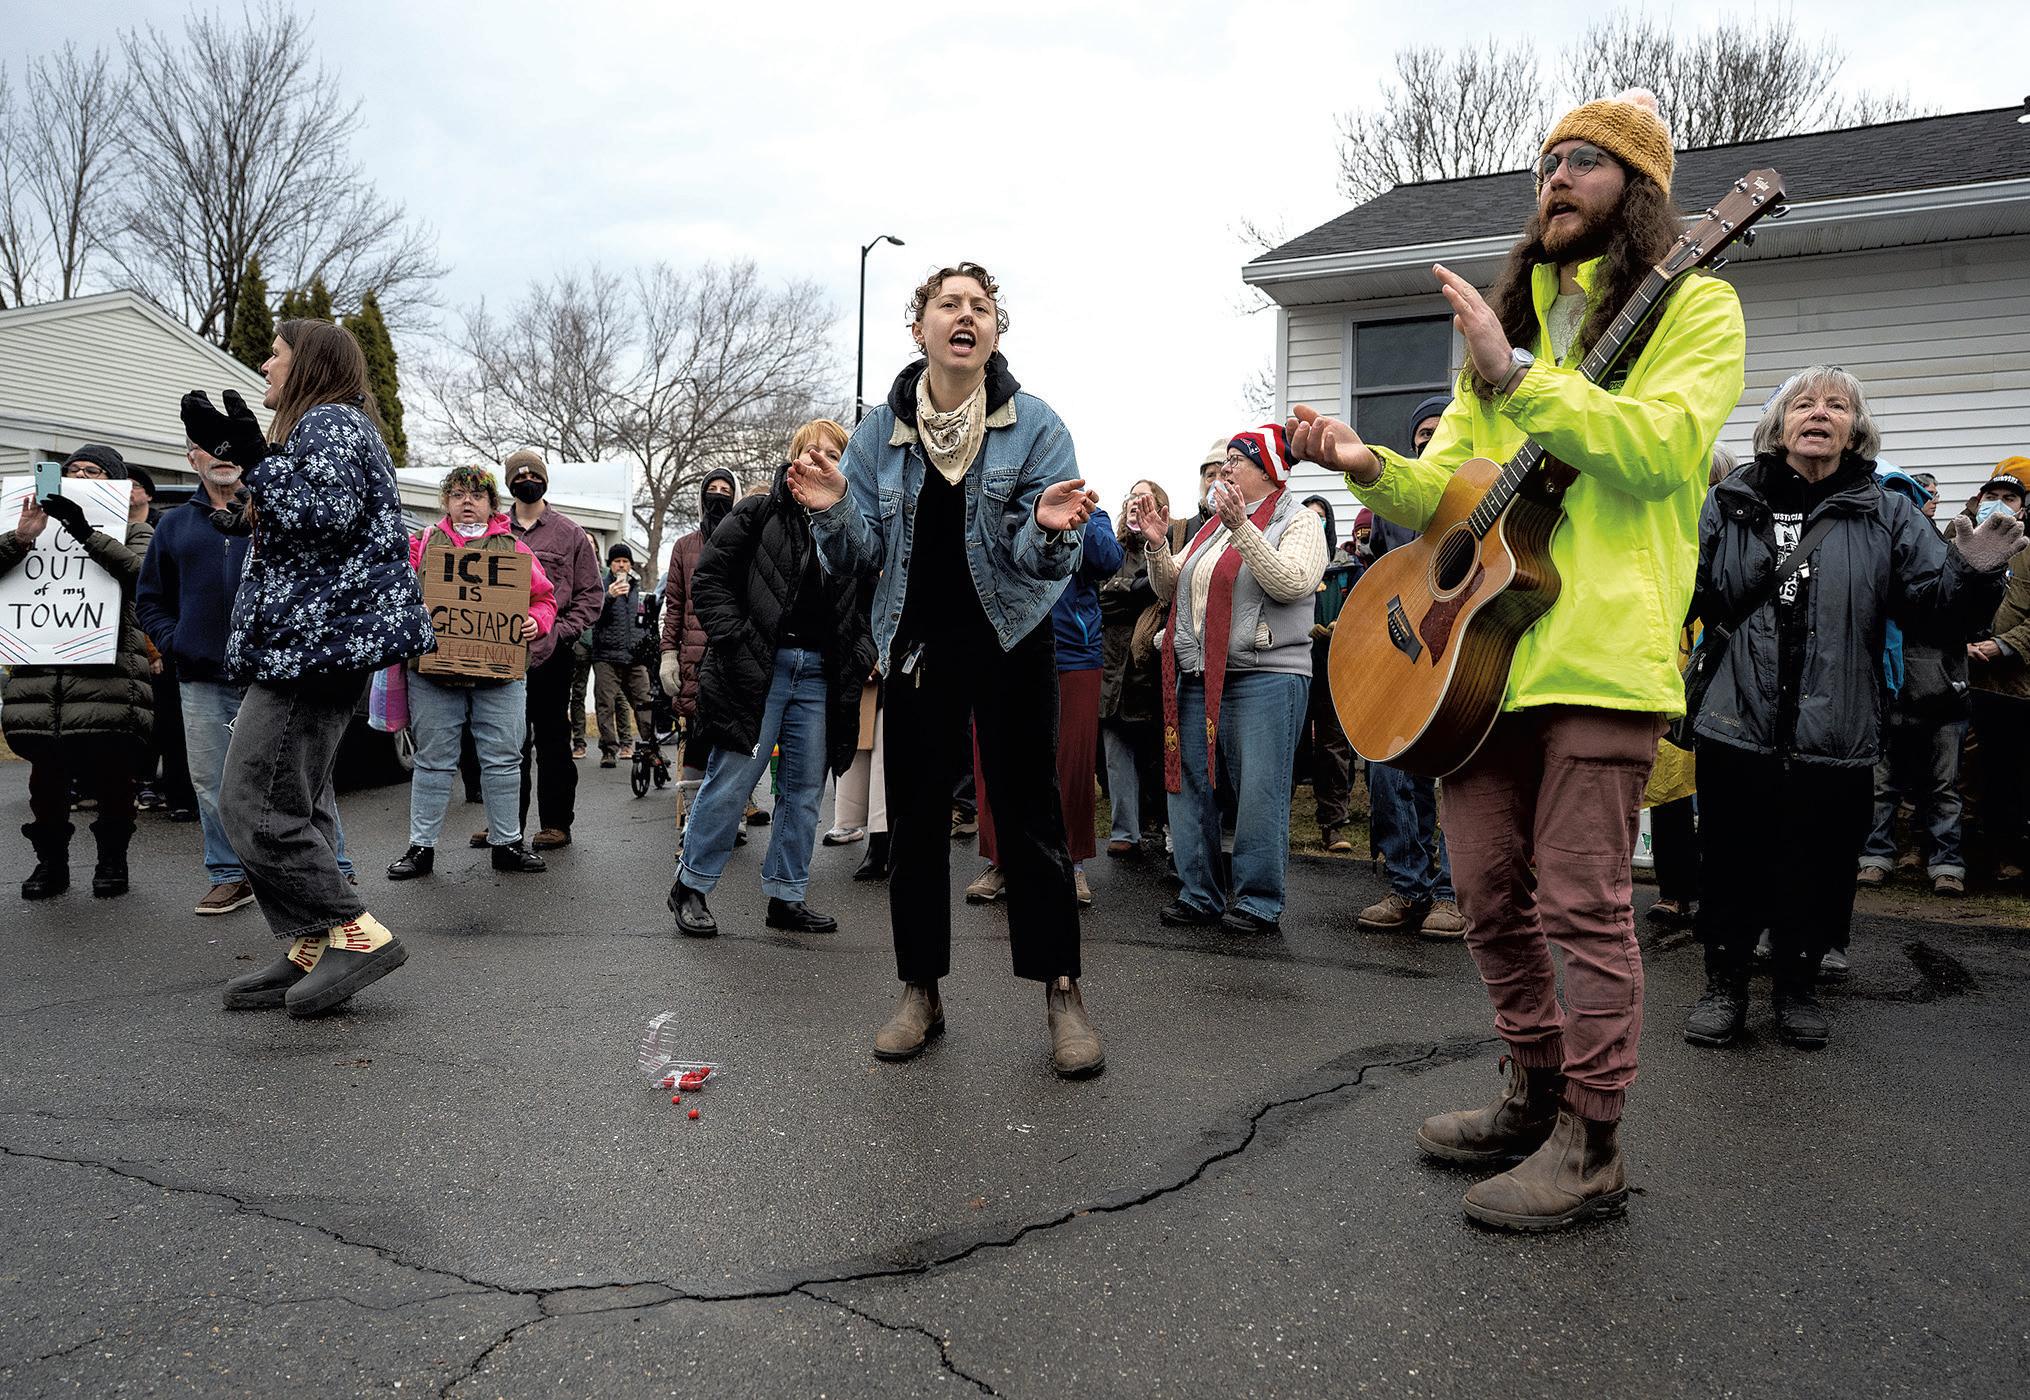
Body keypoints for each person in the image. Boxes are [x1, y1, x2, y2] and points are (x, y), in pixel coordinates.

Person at [1289, 89, 1749, 1230]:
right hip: (1476, 663)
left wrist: (1518, 379)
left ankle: (1592, 1141)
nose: (1556, 177)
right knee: (1488, 895)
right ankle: (1533, 1091)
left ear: (1640, 191)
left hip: (1597, 654)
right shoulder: (1514, 324)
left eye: (1586, 160)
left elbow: (1661, 451)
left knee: (1583, 906)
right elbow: (1452, 495)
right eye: (1547, 161)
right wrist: (1365, 465)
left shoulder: (1697, 304)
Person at [788, 260, 1106, 1078]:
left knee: (1030, 818)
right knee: (917, 823)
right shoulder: (876, 435)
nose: (967, 315)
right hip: (917, 646)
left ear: (995, 331)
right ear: (920, 326)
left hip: (1012, 638)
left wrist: (1049, 527)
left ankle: (1062, 992)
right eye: (949, 304)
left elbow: (1043, 562)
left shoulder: (1036, 426)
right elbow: (859, 554)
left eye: (982, 306)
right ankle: (919, 991)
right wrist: (831, 512)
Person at [1687, 370, 2015, 1051]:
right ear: (1778, 425)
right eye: (1803, 404)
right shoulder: (1731, 498)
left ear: (1855, 429)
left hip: (1837, 725)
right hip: (1736, 717)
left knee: (1820, 863)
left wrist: (1973, 575)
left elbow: (1934, 614)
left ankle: (1797, 988)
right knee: (1731, 859)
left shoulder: (1885, 511)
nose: (1819, 413)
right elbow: (1690, 590)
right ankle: (1725, 987)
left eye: (1837, 406)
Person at [178, 317, 433, 1016]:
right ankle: (313, 942)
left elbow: (323, 513)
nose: (265, 365)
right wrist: (242, 470)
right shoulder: (326, 429)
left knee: (252, 804)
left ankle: (355, 933)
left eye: (276, 354)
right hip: (312, 645)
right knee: (297, 802)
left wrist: (254, 459)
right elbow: (304, 521)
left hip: (311, 649)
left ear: (310, 364)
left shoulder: (330, 424)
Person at [139, 440, 364, 914]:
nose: (220, 454)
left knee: (303, 775)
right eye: (206, 447)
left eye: (228, 445)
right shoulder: (173, 525)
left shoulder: (276, 511)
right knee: (212, 782)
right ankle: (230, 874)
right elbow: (151, 599)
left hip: (275, 673)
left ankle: (331, 867)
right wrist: (176, 641)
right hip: (202, 676)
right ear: (191, 458)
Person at [670, 419, 874, 937]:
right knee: (733, 780)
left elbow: (872, 603)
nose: (821, 459)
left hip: (821, 676)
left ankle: (786, 895)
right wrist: (736, 640)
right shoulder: (758, 512)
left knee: (804, 790)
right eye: (812, 450)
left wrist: (861, 653)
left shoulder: (854, 527)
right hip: (759, 668)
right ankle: (690, 886)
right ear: (794, 457)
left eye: (834, 453)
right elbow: (709, 579)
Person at [1140, 424, 1325, 935]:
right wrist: (1157, 547)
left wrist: (1242, 527)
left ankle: (1258, 900)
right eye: (1223, 463)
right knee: (1191, 786)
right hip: (1200, 673)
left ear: (1267, 470)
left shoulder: (1299, 520)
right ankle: (1198, 893)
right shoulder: (1213, 527)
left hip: (1266, 675)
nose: (1224, 469)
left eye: (1236, 461)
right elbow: (1170, 589)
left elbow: (1292, 582)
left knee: (1259, 791)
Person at [387, 467, 556, 881]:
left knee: (503, 759)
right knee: (432, 761)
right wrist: (412, 611)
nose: (467, 502)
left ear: (492, 505)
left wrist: (535, 621)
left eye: (477, 496)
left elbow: (545, 599)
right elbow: (394, 591)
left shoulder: (514, 549)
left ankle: (507, 843)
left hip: (499, 674)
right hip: (434, 673)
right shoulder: (422, 544)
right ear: (446, 502)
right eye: (459, 494)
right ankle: (421, 848)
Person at [3, 445, 153, 900]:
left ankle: (112, 861)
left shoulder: (135, 530)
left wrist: (86, 533)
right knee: (45, 776)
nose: (81, 476)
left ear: (115, 482)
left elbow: (143, 576)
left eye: (93, 471)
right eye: (72, 470)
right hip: (41, 671)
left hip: (109, 670)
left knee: (113, 774)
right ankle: (50, 864)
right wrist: (21, 538)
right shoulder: (29, 525)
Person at [967, 503, 1124, 907]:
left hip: (1073, 655)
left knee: (1071, 764)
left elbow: (1109, 559)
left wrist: (1077, 515)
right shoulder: (994, 506)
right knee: (994, 760)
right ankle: (1000, 861)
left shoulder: (1094, 515)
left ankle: (1071, 864)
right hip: (1002, 647)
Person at [1356, 395, 1466, 939]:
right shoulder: (1392, 505)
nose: (1429, 439)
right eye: (1421, 433)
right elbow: (1384, 571)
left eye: (1440, 429)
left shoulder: (1478, 493)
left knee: (1458, 772)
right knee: (1392, 764)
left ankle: (1454, 893)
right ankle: (1407, 884)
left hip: (1468, 647)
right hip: (1407, 650)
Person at [1856, 467, 1971, 898]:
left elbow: (1966, 617)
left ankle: (1947, 864)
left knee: (1943, 788)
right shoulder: (1870, 559)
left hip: (1942, 695)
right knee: (1881, 787)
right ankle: (1875, 857)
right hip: (1887, 696)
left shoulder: (1945, 555)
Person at [498, 448, 603, 851]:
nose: (528, 481)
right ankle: (505, 825)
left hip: (550, 655)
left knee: (553, 740)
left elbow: (591, 595)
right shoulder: (494, 531)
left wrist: (561, 632)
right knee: (505, 744)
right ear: (509, 483)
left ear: (545, 480)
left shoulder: (570, 534)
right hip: (500, 656)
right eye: (519, 476)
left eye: (534, 475)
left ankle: (556, 823)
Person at [1099, 479, 1181, 858]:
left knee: (1157, 753)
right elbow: (1101, 599)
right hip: (1111, 664)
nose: (1135, 502)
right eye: (1130, 496)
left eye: (1144, 497)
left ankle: (1166, 827)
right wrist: (1133, 590)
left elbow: (1162, 591)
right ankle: (1124, 831)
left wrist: (1128, 590)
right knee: (1116, 752)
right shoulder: (1111, 549)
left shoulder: (1165, 549)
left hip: (1148, 664)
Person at [1962, 468, 2030, 882]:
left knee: (2008, 774)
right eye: (1992, 496)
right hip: (1958, 680)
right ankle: (1961, 857)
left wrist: (2004, 645)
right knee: (1960, 773)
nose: (1999, 504)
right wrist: (1960, 644)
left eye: (2010, 497)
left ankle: (2007, 857)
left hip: (2011, 686)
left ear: (2023, 507)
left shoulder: (2028, 551)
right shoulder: (1958, 543)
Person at [660, 468, 740, 790]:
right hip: (693, 658)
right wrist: (668, 654)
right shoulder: (683, 547)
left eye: (726, 490)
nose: (718, 495)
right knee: (694, 734)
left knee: (733, 734)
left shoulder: (744, 541)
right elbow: (674, 606)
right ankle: (691, 810)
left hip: (733, 653)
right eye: (713, 489)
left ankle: (736, 807)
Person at [1298, 493, 1358, 853]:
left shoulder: (1347, 567)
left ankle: (1333, 825)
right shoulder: (1291, 559)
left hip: (1335, 669)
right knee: (1292, 746)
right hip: (1296, 665)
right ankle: (1275, 825)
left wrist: (1342, 626)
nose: (1314, 521)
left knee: (1333, 747)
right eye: (1308, 515)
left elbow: (1364, 607)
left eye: (1321, 516)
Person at [590, 542, 655, 768]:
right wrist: (609, 596)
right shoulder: (600, 586)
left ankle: (651, 748)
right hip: (606, 656)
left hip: (634, 657)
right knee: (605, 705)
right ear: (610, 564)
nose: (621, 565)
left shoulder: (638, 587)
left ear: (630, 565)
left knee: (645, 702)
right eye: (617, 561)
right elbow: (592, 615)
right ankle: (609, 750)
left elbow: (645, 621)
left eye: (625, 561)